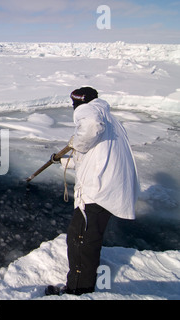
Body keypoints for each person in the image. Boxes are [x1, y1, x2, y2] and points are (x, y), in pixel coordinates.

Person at [46, 87, 140, 296]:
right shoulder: (110, 119)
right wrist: (62, 160)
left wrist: (76, 144)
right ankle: (82, 286)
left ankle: (77, 291)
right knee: (86, 238)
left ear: (80, 102)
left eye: (74, 104)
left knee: (80, 240)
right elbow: (91, 154)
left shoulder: (88, 111)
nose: (73, 108)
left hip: (98, 190)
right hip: (111, 188)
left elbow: (89, 129)